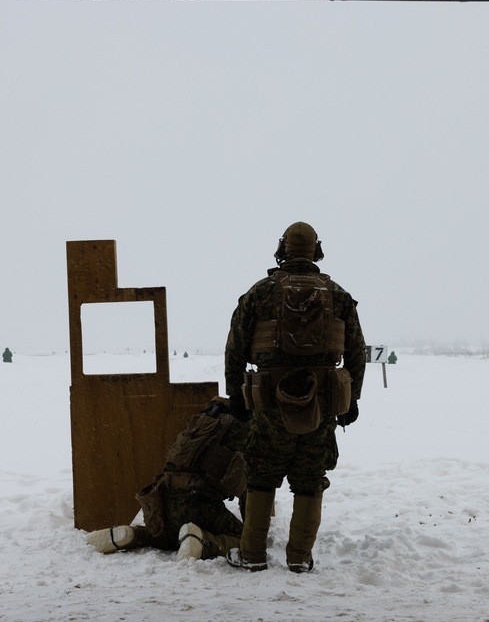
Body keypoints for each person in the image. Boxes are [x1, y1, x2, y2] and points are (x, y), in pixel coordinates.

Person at [224, 221, 366, 573]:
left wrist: (235, 394)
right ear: (316, 251)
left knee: (260, 476)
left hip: (269, 403)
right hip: (321, 403)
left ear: (282, 249)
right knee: (310, 477)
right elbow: (356, 352)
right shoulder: (337, 294)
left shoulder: (260, 293)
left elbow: (235, 347)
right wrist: (354, 400)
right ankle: (300, 557)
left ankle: (253, 555)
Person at [85, 396, 248, 561]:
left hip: (163, 501)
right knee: (247, 540)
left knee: (165, 536)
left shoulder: (197, 425)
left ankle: (133, 535)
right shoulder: (241, 432)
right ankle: (201, 541)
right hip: (199, 502)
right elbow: (250, 485)